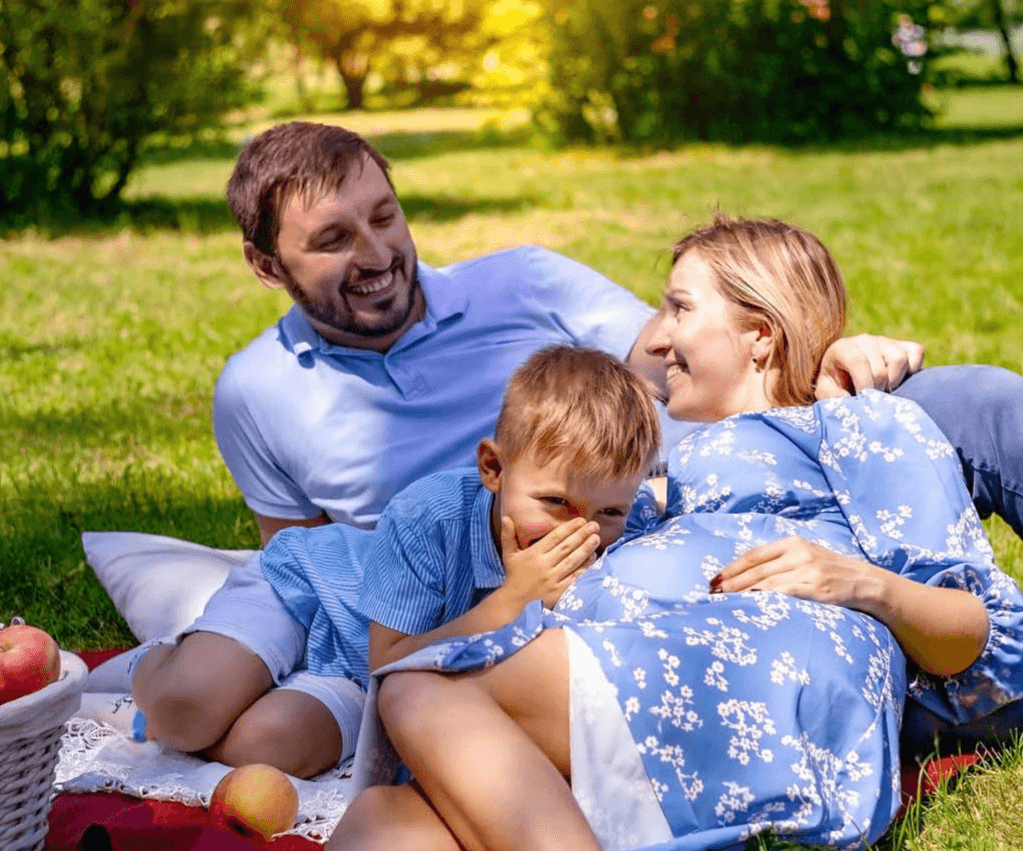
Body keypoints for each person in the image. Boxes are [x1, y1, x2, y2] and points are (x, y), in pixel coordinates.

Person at [330, 216, 1023, 851]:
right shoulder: (665, 473)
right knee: (382, 824)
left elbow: (979, 637)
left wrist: (859, 582)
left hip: (750, 684)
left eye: (680, 307)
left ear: (761, 335)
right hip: (636, 694)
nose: (655, 335)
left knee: (417, 691)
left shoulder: (857, 423)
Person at [214, 121, 1023, 548]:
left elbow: (673, 353)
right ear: (264, 263)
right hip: (590, 563)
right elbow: (305, 570)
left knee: (978, 404)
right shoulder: (256, 394)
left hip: (711, 461)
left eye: (385, 216)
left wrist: (823, 354)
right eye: (332, 240)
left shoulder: (521, 280)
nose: (377, 254)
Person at [131, 345, 660, 779]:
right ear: (493, 468)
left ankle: (253, 685)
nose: (582, 530)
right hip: (316, 599)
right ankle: (155, 660)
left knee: (268, 747)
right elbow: (390, 656)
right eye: (556, 502)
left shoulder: (618, 529)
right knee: (184, 713)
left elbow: (380, 679)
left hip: (365, 681)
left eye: (609, 510)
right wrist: (512, 601)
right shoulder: (428, 516)